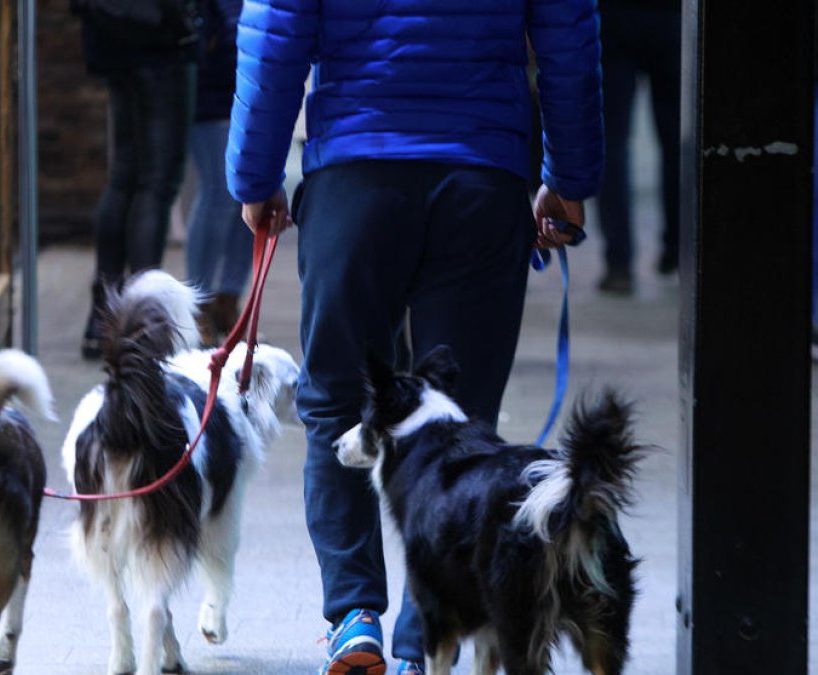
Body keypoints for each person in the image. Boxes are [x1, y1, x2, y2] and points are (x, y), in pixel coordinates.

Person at [225, 2, 603, 674]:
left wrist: (254, 177)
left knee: (339, 402)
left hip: (356, 176)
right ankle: (421, 645)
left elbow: (276, 29)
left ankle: (353, 617)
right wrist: (569, 179)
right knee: (463, 423)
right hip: (482, 175)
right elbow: (568, 32)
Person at [74, 0, 200, 359]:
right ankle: (140, 321)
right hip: (159, 35)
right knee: (156, 183)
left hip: (111, 31)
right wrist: (187, 20)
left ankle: (103, 319)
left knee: (125, 176)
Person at [596, 0, 682, 295]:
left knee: (612, 146)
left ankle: (619, 264)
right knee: (676, 143)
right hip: (675, 18)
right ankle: (678, 249)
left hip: (615, 19)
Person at [185, 0, 251, 346]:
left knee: (253, 191)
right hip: (212, 89)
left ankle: (228, 300)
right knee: (219, 194)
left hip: (250, 86)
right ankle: (197, 305)